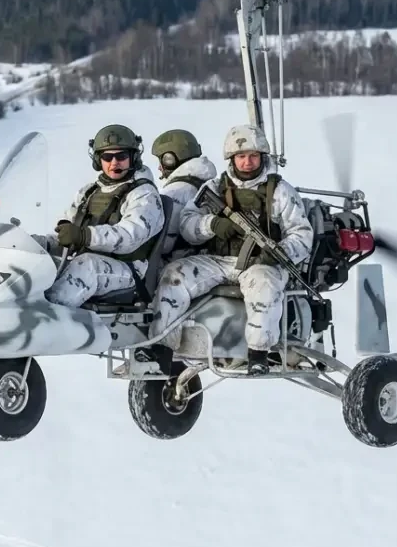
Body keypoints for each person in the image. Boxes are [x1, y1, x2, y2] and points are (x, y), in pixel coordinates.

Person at [148, 124, 314, 374]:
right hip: (219, 261)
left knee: (264, 285)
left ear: (262, 157)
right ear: (231, 158)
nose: (247, 162)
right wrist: (212, 224)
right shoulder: (214, 188)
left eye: (253, 156)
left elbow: (302, 235)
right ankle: (161, 349)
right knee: (174, 275)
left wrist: (280, 252)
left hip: (261, 264)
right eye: (241, 156)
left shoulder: (280, 191)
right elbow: (187, 224)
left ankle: (258, 354)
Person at [41, 124, 166, 309]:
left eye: (121, 156)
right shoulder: (89, 192)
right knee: (40, 263)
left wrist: (84, 236)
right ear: (98, 160)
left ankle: (49, 319)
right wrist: (39, 244)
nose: (114, 163)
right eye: (107, 157)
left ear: (134, 157)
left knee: (87, 266)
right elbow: (69, 233)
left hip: (129, 269)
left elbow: (129, 237)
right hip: (86, 258)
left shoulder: (144, 194)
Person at [149, 129, 218, 260]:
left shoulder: (177, 191)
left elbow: (164, 244)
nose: (159, 168)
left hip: (177, 262)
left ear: (170, 159)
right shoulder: (205, 183)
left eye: (161, 161)